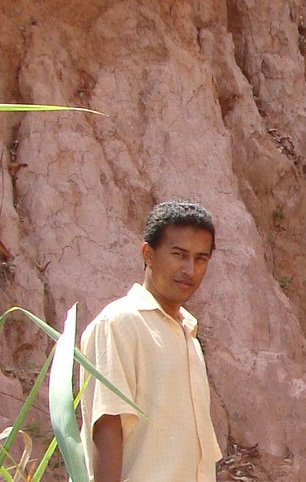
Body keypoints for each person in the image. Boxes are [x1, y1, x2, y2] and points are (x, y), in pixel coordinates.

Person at [80, 201, 223, 482]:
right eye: (179, 255)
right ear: (148, 254)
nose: (190, 270)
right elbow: (107, 426)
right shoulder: (120, 323)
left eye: (200, 259)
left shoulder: (187, 335)